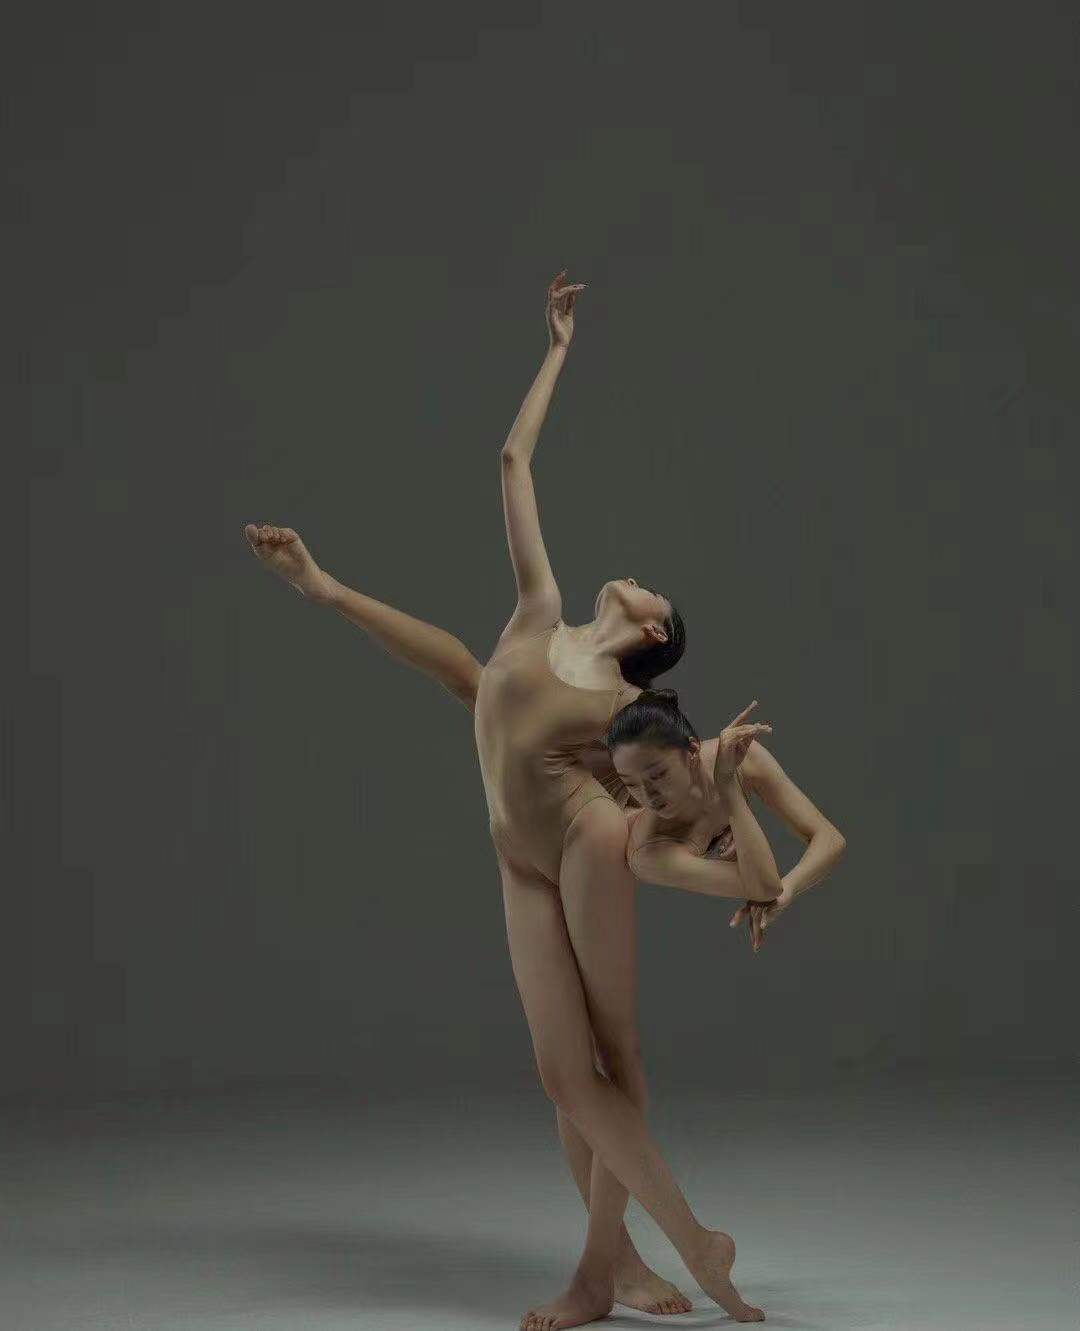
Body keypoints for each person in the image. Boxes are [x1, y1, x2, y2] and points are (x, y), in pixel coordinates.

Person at [244, 272, 831, 1328]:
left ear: (653, 632)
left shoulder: (622, 703)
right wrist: (325, 588)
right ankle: (636, 1263)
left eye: (653, 591)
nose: (638, 574)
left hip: (585, 843)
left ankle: (637, 1260)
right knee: (564, 1077)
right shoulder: (538, 612)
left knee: (613, 1056)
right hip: (516, 857)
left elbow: (676, 774)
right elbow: (509, 477)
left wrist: (733, 813)